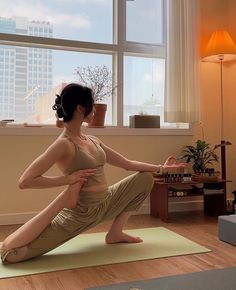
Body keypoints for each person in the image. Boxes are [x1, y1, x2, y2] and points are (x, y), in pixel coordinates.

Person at [0, 83, 187, 264]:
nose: (95, 109)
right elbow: (25, 181)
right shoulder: (63, 144)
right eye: (92, 105)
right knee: (12, 254)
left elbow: (128, 164)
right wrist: (67, 180)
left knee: (145, 178)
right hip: (81, 212)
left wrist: (163, 168)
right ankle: (65, 199)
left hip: (106, 201)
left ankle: (115, 233)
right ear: (81, 109)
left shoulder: (93, 139)